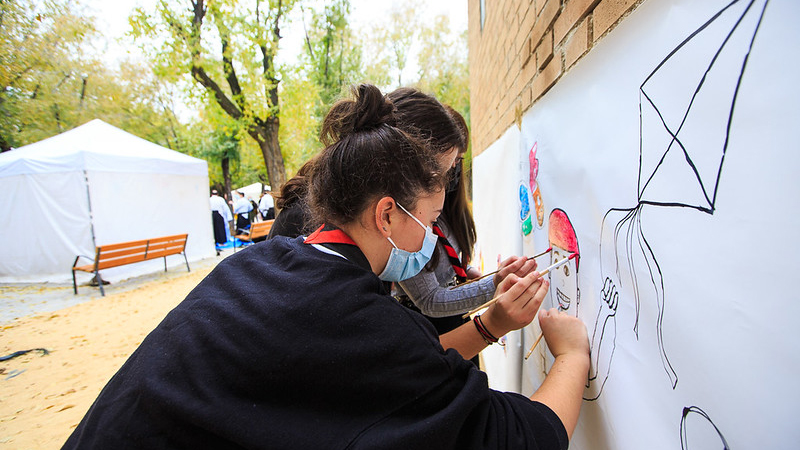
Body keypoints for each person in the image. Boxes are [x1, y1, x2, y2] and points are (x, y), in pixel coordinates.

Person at [62, 84, 590, 450]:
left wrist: (492, 321)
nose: (432, 239)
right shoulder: (347, 314)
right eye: (429, 220)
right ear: (386, 213)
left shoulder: (265, 264)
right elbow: (516, 438)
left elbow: (390, 363)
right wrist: (571, 354)